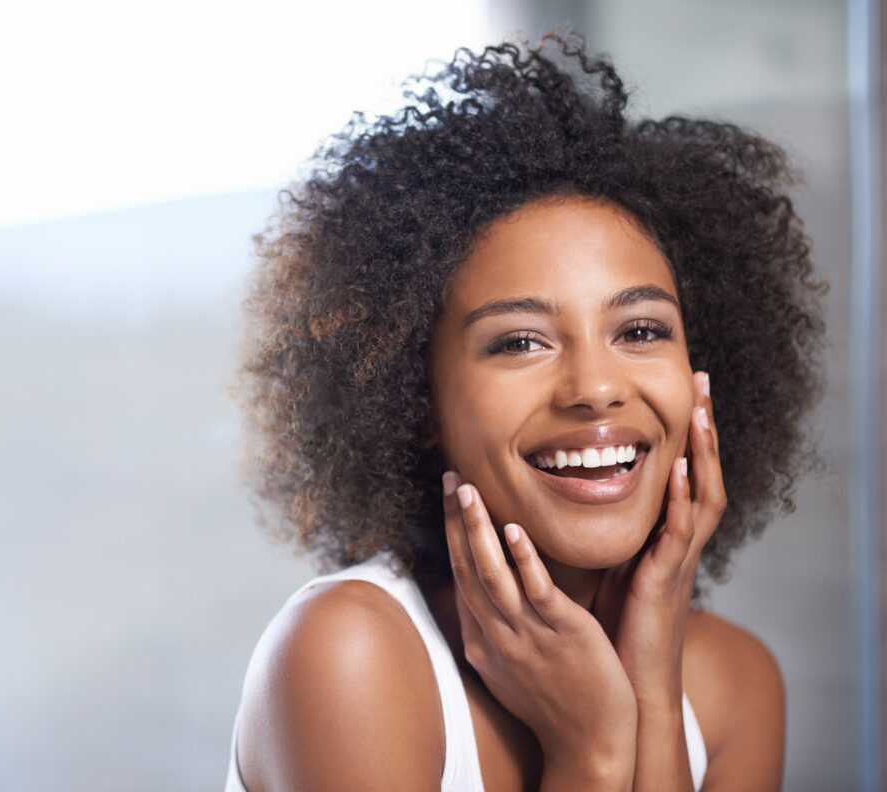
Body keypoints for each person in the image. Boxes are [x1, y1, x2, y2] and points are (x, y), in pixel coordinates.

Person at [226, 33, 825, 791]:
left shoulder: (735, 683)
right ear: (419, 402)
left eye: (640, 330)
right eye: (519, 341)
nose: (595, 388)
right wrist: (595, 751)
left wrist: (651, 699)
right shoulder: (346, 654)